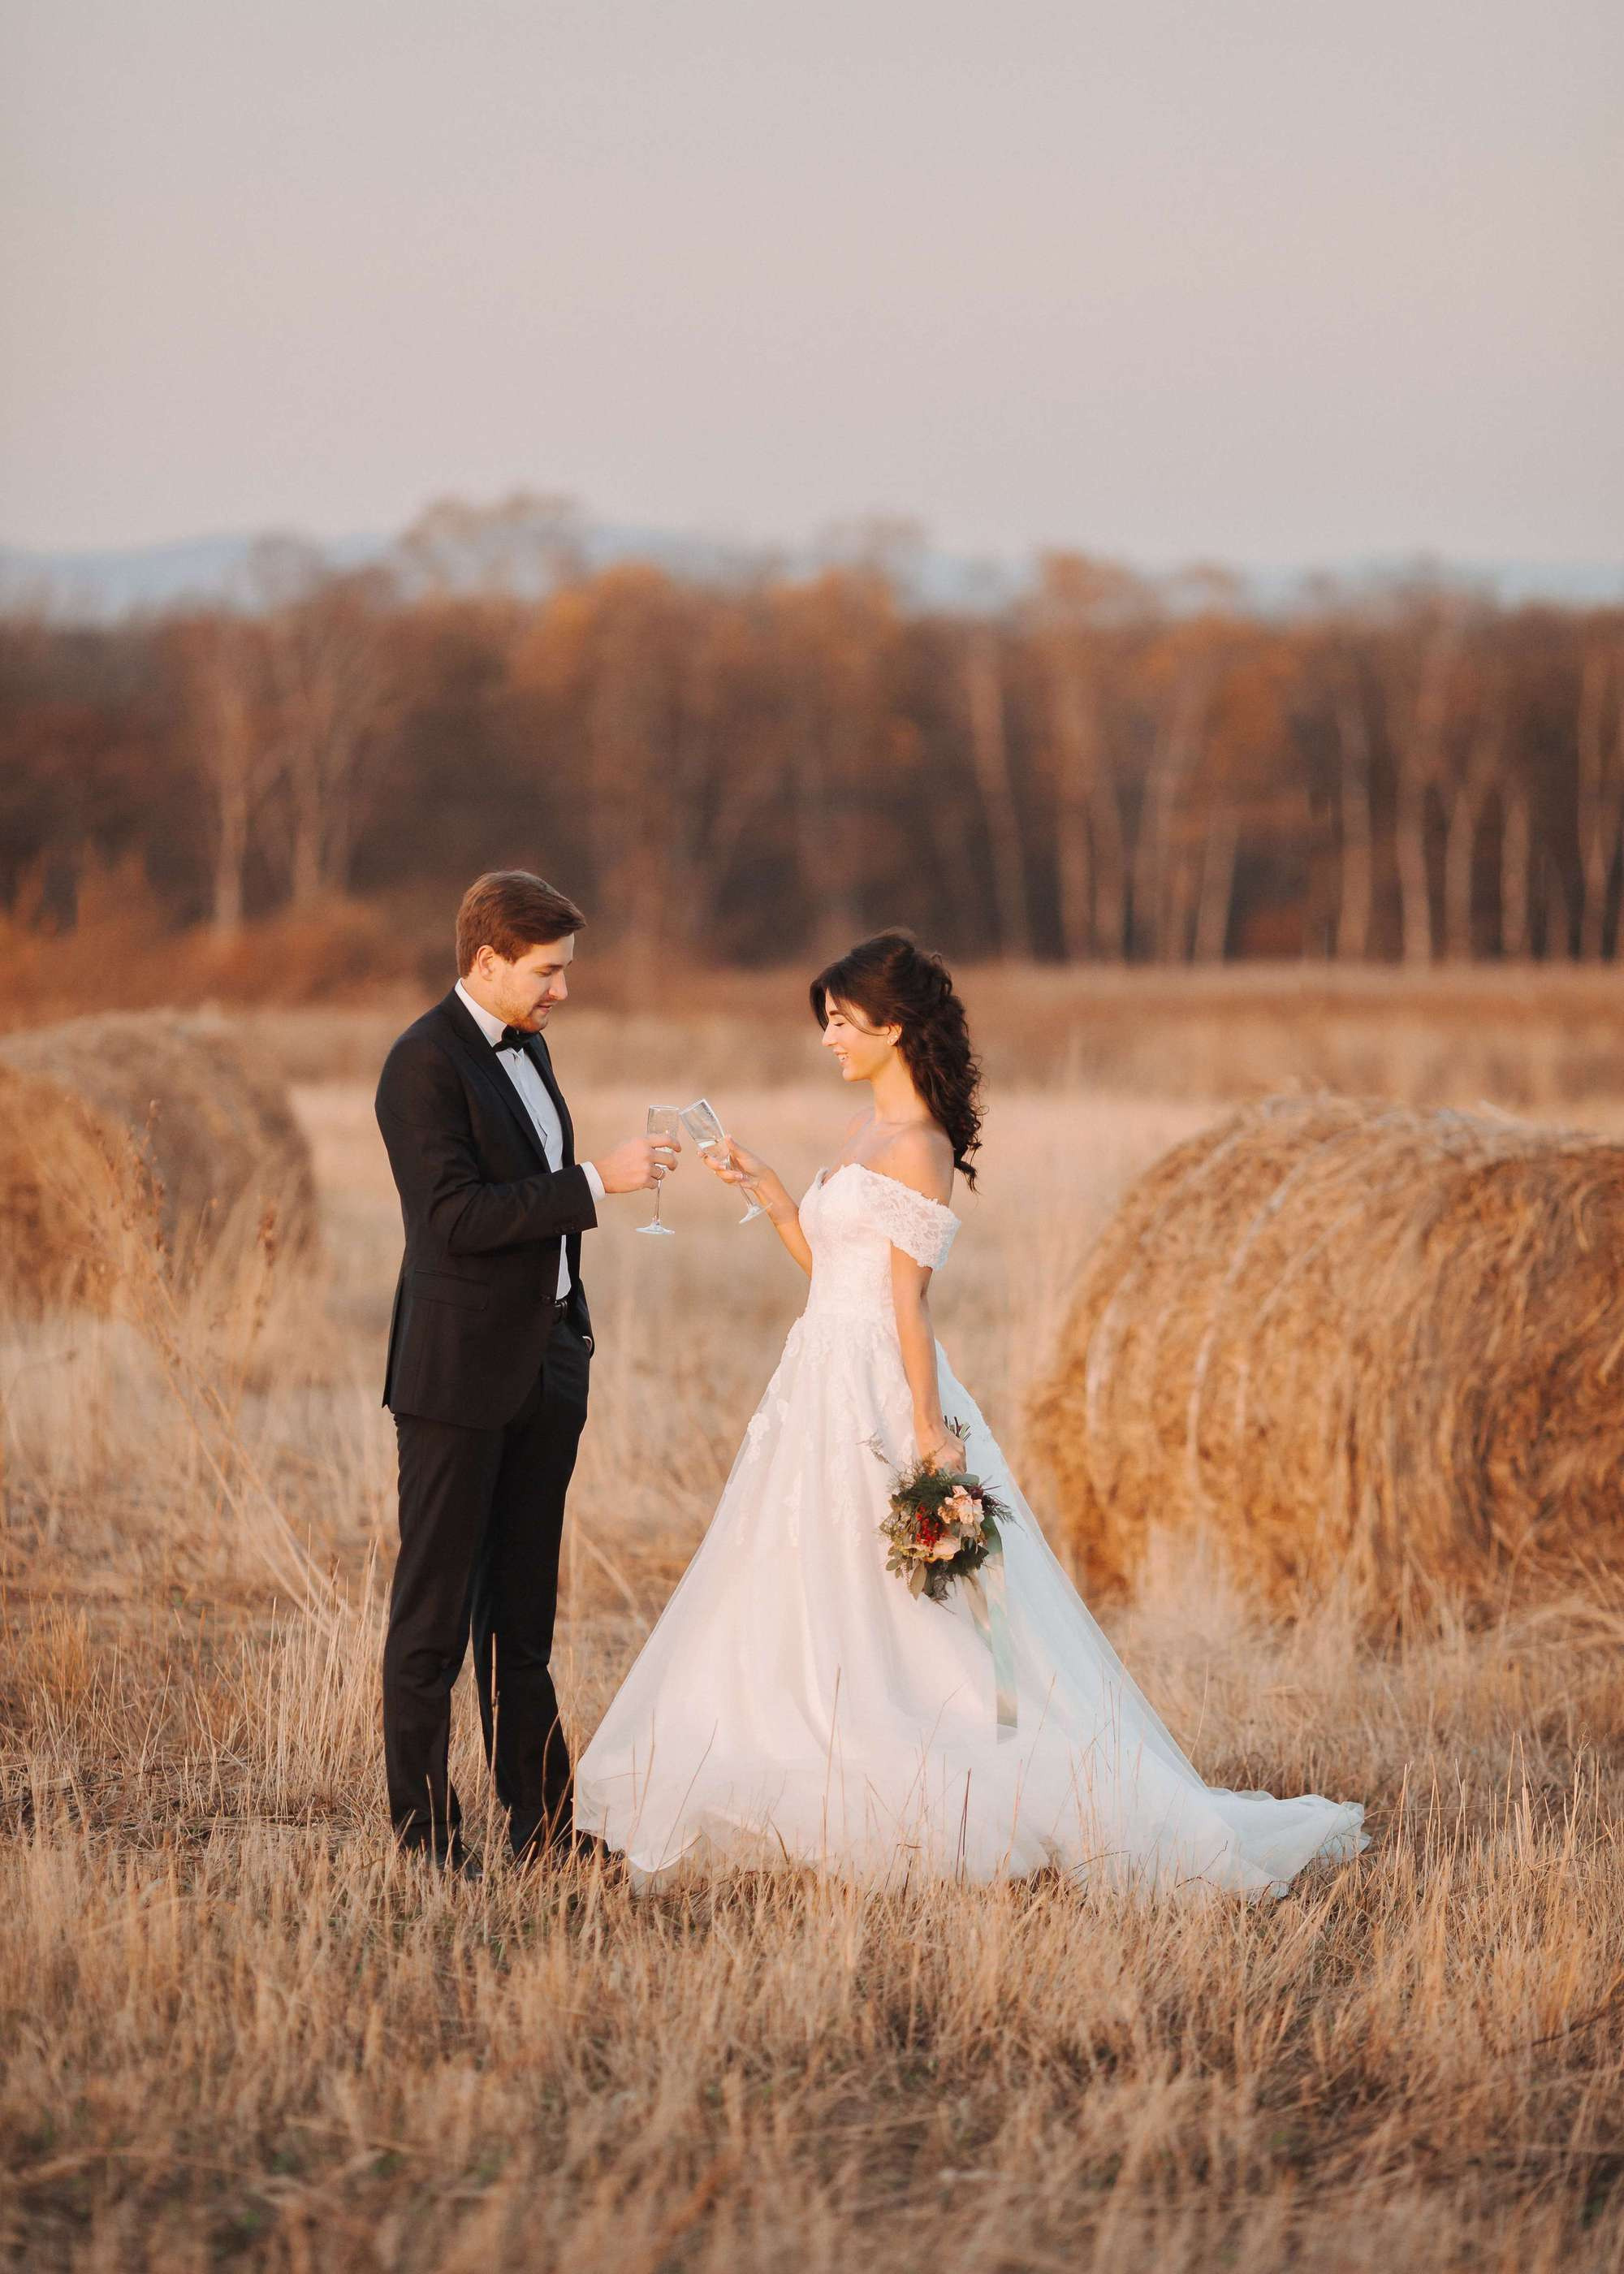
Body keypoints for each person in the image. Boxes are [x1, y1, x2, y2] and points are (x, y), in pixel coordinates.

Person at [574, 930, 1369, 1898]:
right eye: (823, 1023)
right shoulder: (860, 1132)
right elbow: (835, 1280)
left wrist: (925, 1426)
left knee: (920, 1600)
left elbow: (904, 1303)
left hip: (874, 1387)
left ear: (892, 1026)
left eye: (839, 1022)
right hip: (814, 1376)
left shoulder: (919, 1148)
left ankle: (942, 1752)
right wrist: (781, 1200)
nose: (826, 1039)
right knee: (800, 1568)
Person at [374, 870, 680, 1877]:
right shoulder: (419, 1063)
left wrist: (568, 1334)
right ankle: (427, 1842)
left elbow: (521, 1193)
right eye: (547, 972)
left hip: (547, 1361)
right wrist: (599, 1182)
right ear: (487, 960)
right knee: (432, 1618)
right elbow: (454, 1217)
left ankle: (542, 1828)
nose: (561, 991)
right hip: (456, 1377)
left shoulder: (534, 1048)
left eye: (565, 972)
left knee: (523, 1616)